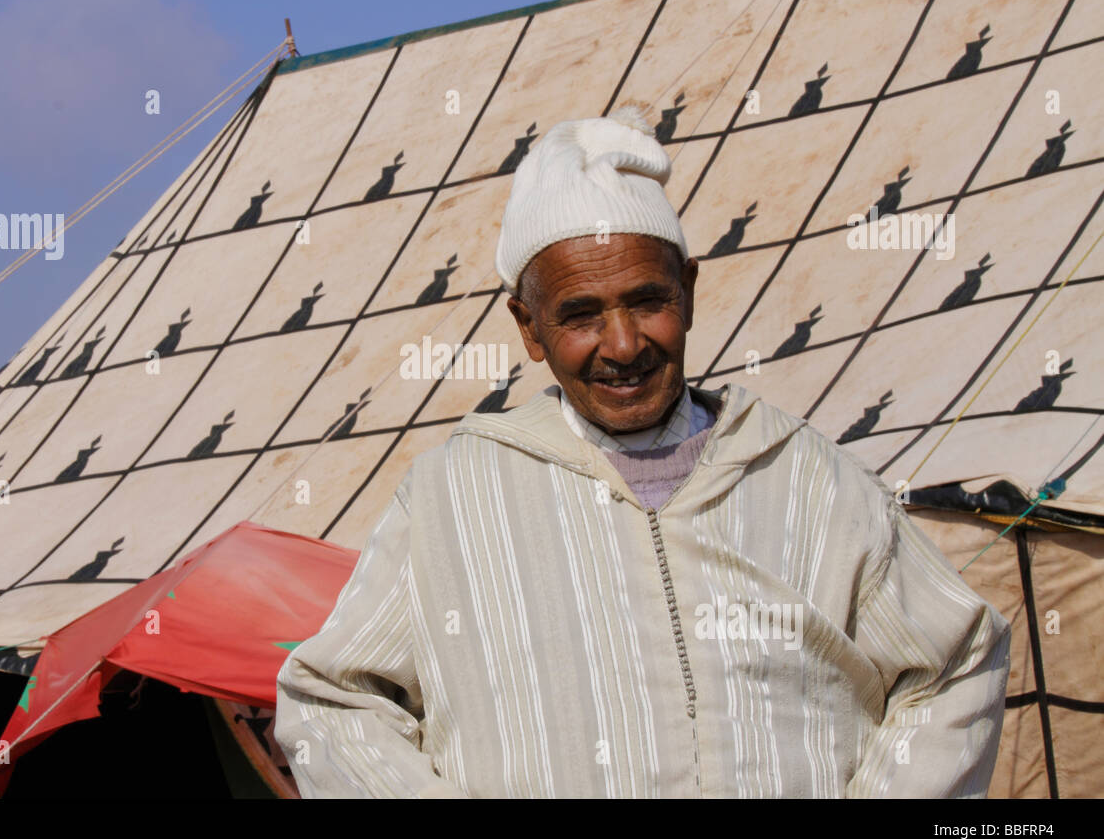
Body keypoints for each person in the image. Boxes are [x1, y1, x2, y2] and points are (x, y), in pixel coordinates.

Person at [274, 105, 1011, 798]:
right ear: (529, 329)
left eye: (647, 301)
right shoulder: (452, 499)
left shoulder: (812, 481)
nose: (623, 345)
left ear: (687, 292)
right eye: (581, 315)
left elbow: (955, 663)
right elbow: (330, 702)